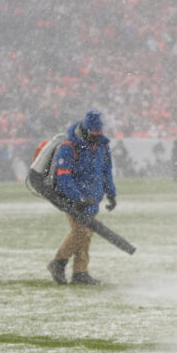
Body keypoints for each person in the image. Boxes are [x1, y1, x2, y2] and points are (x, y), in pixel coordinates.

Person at [46, 110, 117, 286]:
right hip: (73, 201)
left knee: (86, 236)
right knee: (80, 232)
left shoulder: (102, 146)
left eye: (99, 133)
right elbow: (64, 177)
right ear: (85, 130)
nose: (97, 137)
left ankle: (80, 273)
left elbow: (106, 171)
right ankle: (58, 263)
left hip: (93, 199)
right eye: (94, 134)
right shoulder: (69, 147)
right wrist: (77, 197)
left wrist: (111, 193)